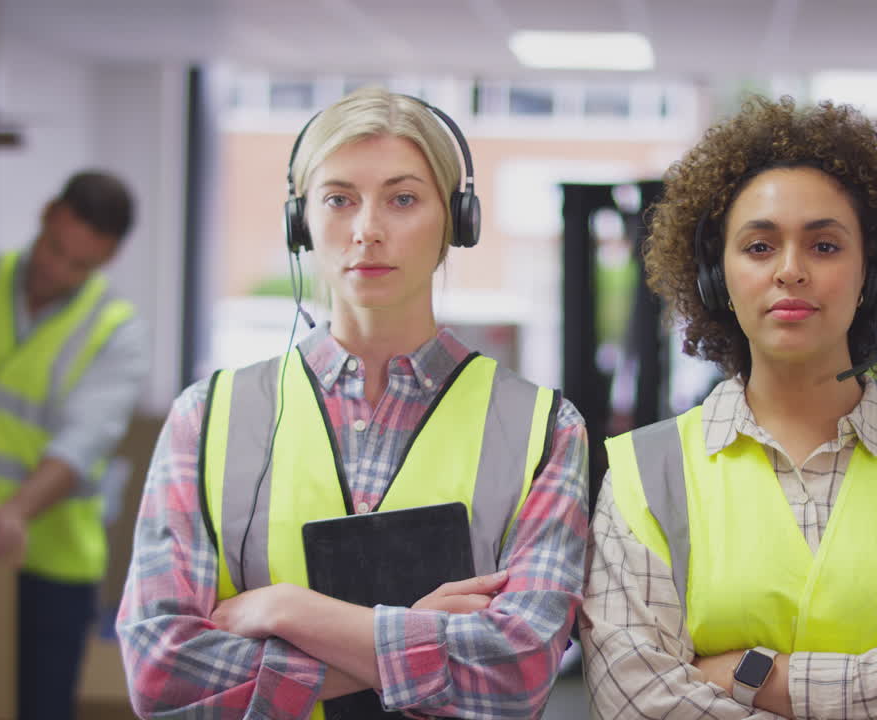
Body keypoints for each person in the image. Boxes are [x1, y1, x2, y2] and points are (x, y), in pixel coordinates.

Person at [116, 87, 588, 720]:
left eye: (403, 199)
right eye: (339, 199)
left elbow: (516, 673)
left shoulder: (545, 429)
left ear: (455, 220)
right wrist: (419, 643)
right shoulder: (206, 417)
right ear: (301, 221)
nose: (367, 230)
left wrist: (288, 609)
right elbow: (159, 673)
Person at [581, 96, 877, 719]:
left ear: (871, 273)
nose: (791, 271)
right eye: (760, 247)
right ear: (718, 278)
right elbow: (636, 703)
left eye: (824, 246)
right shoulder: (643, 476)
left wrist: (742, 676)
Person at [0, 170, 148, 720]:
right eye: (55, 250)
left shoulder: (115, 330)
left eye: (81, 265)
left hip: (47, 565)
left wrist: (16, 512)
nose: (58, 270)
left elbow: (83, 440)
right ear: (48, 214)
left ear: (110, 257)